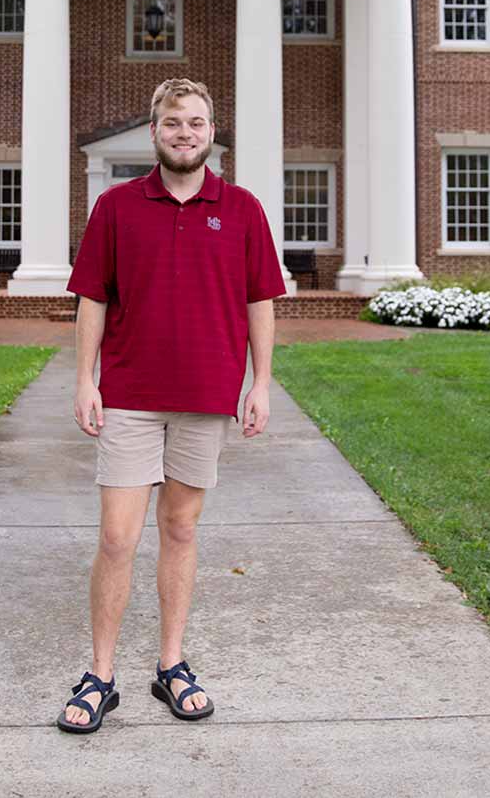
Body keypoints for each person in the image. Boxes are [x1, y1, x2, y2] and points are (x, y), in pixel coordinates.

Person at [55, 78, 286, 734]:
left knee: (181, 530)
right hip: (129, 395)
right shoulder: (117, 208)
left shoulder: (241, 209)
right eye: (173, 123)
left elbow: (259, 301)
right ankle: (100, 675)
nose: (185, 133)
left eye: (196, 122)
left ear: (212, 132)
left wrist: (260, 383)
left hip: (206, 396)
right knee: (118, 537)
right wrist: (85, 379)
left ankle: (171, 665)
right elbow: (93, 299)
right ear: (154, 132)